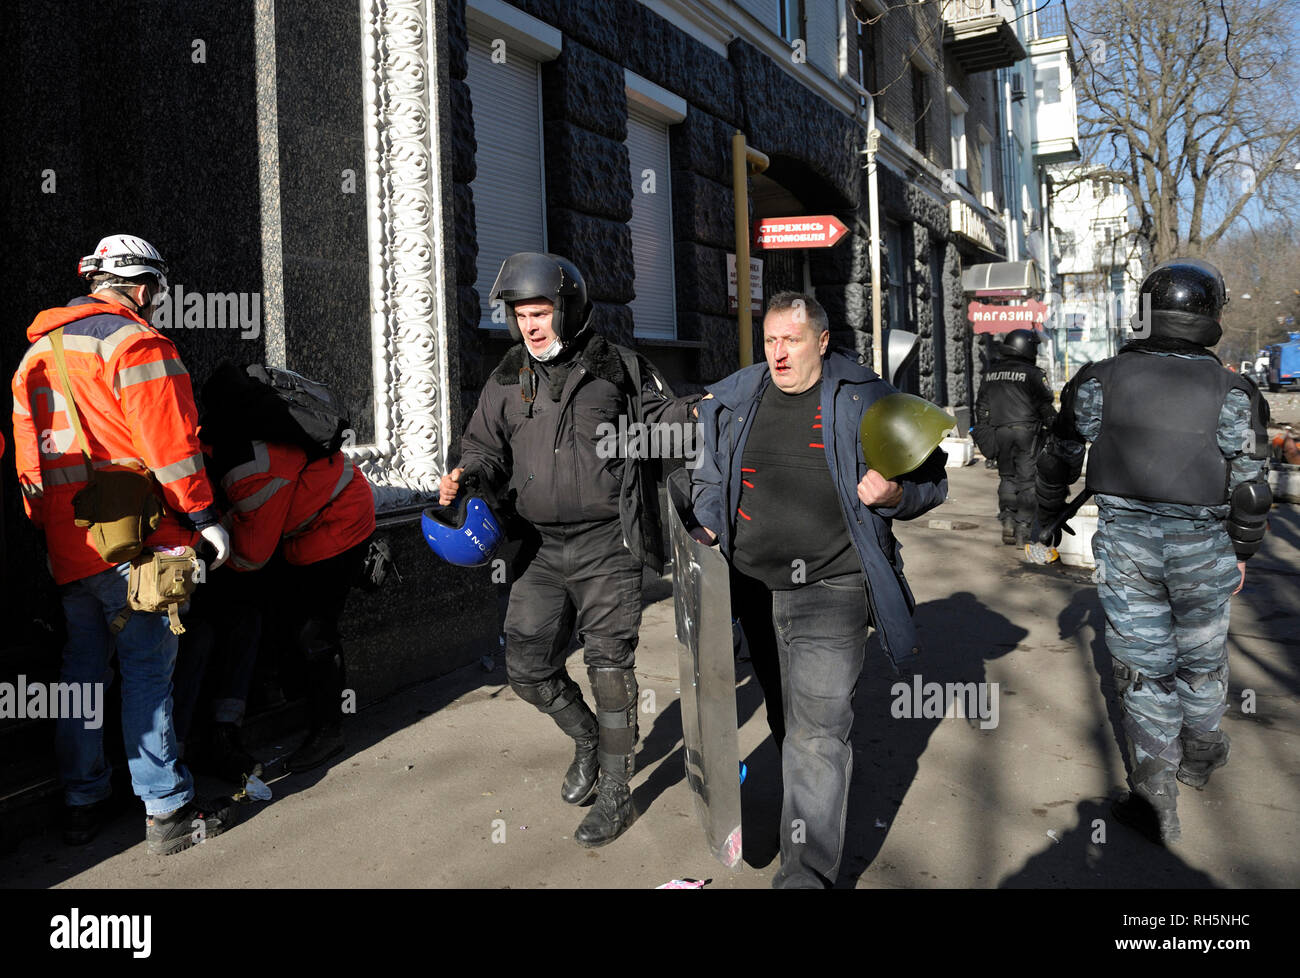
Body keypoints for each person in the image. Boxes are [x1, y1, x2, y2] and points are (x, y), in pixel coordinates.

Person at [690, 291, 948, 887]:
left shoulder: (864, 397)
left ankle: (805, 876)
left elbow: (933, 481)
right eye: (770, 340)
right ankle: (801, 821)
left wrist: (896, 496)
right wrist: (705, 516)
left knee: (817, 735)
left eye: (792, 341)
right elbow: (711, 475)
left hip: (832, 589)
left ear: (822, 342)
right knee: (789, 724)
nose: (778, 354)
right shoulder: (738, 395)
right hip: (751, 588)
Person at [441, 252, 699, 847]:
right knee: (528, 669)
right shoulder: (507, 376)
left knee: (610, 665)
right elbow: (483, 447)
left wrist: (703, 413)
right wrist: (467, 477)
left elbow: (666, 423)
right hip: (537, 547)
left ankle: (616, 790)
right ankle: (585, 736)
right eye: (520, 315)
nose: (531, 326)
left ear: (570, 309)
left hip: (608, 541)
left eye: (541, 312)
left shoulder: (617, 367)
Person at [1034, 258, 1271, 846]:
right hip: (1206, 547)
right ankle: (1202, 753)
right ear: (1211, 315)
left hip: (1130, 548)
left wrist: (1043, 510)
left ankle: (1156, 799)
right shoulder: (1233, 390)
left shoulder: (1100, 379)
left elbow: (1059, 456)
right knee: (1202, 656)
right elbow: (1251, 488)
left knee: (1145, 670)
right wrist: (1241, 550)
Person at [10, 234, 235, 854]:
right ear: (141, 286)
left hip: (68, 545)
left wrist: (53, 530)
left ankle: (82, 801)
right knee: (145, 672)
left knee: (82, 674)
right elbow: (171, 447)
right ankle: (167, 811)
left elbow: (29, 464)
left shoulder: (35, 356)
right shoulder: (137, 344)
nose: (155, 301)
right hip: (139, 545)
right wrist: (203, 514)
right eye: (155, 290)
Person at [195, 363, 377, 775]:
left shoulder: (250, 472)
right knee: (282, 609)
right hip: (310, 515)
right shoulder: (218, 444)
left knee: (313, 629)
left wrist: (211, 561)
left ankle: (328, 730)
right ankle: (289, 691)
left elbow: (252, 556)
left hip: (338, 524)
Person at [973, 329, 1055, 545]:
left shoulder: (990, 373)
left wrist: (985, 434)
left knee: (1007, 478)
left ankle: (1008, 520)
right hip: (1027, 434)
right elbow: (1046, 408)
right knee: (1028, 482)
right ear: (1025, 347)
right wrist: (1057, 429)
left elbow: (981, 408)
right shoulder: (1034, 374)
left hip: (1000, 433)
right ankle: (1023, 528)